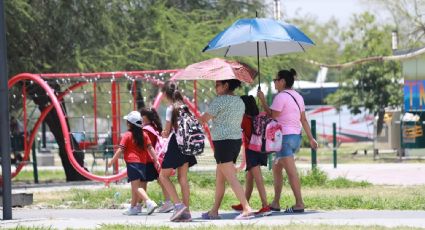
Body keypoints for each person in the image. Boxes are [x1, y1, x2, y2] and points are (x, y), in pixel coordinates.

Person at [257, 69, 318, 213]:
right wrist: (310, 138)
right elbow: (303, 119)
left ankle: (299, 203)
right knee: (277, 169)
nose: (274, 83)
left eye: (275, 80)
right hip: (295, 138)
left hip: (284, 139)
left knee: (291, 172)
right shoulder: (298, 97)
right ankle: (276, 202)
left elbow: (273, 115)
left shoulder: (281, 97)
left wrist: (263, 100)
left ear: (282, 81)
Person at [199, 79, 254, 220]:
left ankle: (246, 208)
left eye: (217, 84)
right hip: (235, 141)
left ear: (226, 85)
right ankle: (214, 211)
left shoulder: (220, 101)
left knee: (231, 177)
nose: (215, 87)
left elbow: (204, 119)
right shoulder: (239, 101)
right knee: (220, 179)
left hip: (223, 142)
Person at [159, 81, 197, 222]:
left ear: (166, 94)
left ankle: (177, 205)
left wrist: (163, 133)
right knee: (183, 179)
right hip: (187, 145)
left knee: (163, 176)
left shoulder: (171, 109)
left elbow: (167, 131)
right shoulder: (185, 106)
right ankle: (186, 212)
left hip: (176, 144)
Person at [107, 111, 159, 215]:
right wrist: (156, 160)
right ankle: (133, 207)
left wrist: (112, 161)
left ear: (130, 124)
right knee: (135, 186)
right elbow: (150, 148)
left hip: (132, 163)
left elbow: (120, 150)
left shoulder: (127, 135)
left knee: (136, 187)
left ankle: (149, 202)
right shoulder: (144, 134)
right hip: (142, 164)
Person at [231, 95, 271, 216]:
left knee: (258, 178)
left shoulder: (244, 118)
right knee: (250, 177)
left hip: (251, 151)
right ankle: (245, 202)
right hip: (261, 149)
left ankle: (265, 205)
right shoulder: (259, 116)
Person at [139, 107, 173, 213]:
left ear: (144, 117)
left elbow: (146, 146)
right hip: (155, 159)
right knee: (161, 180)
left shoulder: (146, 130)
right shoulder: (154, 127)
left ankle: (141, 204)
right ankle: (168, 202)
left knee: (142, 182)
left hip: (149, 160)